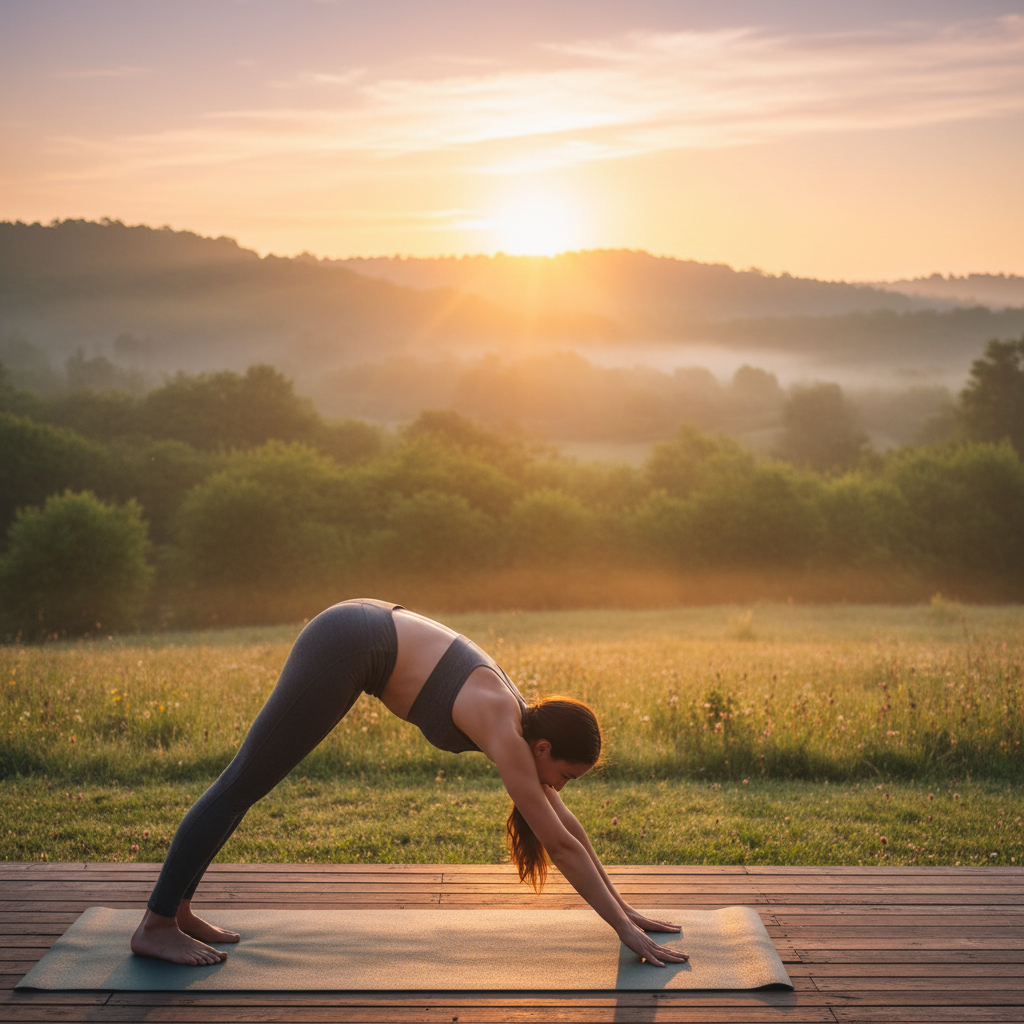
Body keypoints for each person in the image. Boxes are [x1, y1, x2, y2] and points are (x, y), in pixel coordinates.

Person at [131, 600, 688, 967]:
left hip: (361, 631)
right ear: (544, 750)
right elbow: (560, 842)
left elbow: (566, 827)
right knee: (241, 784)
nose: (561, 789)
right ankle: (155, 925)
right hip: (346, 643)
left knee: (244, 789)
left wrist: (626, 908)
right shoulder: (505, 726)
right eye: (566, 775)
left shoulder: (525, 725)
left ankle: (178, 910)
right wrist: (623, 932)